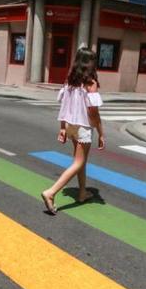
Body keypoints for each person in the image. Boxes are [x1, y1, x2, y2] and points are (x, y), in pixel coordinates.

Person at [41, 48, 105, 215]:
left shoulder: (70, 80)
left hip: (70, 125)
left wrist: (63, 128)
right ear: (90, 63)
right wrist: (101, 133)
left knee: (80, 161)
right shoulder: (91, 83)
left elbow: (64, 106)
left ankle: (82, 193)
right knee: (78, 163)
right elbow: (94, 113)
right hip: (83, 127)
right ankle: (51, 192)